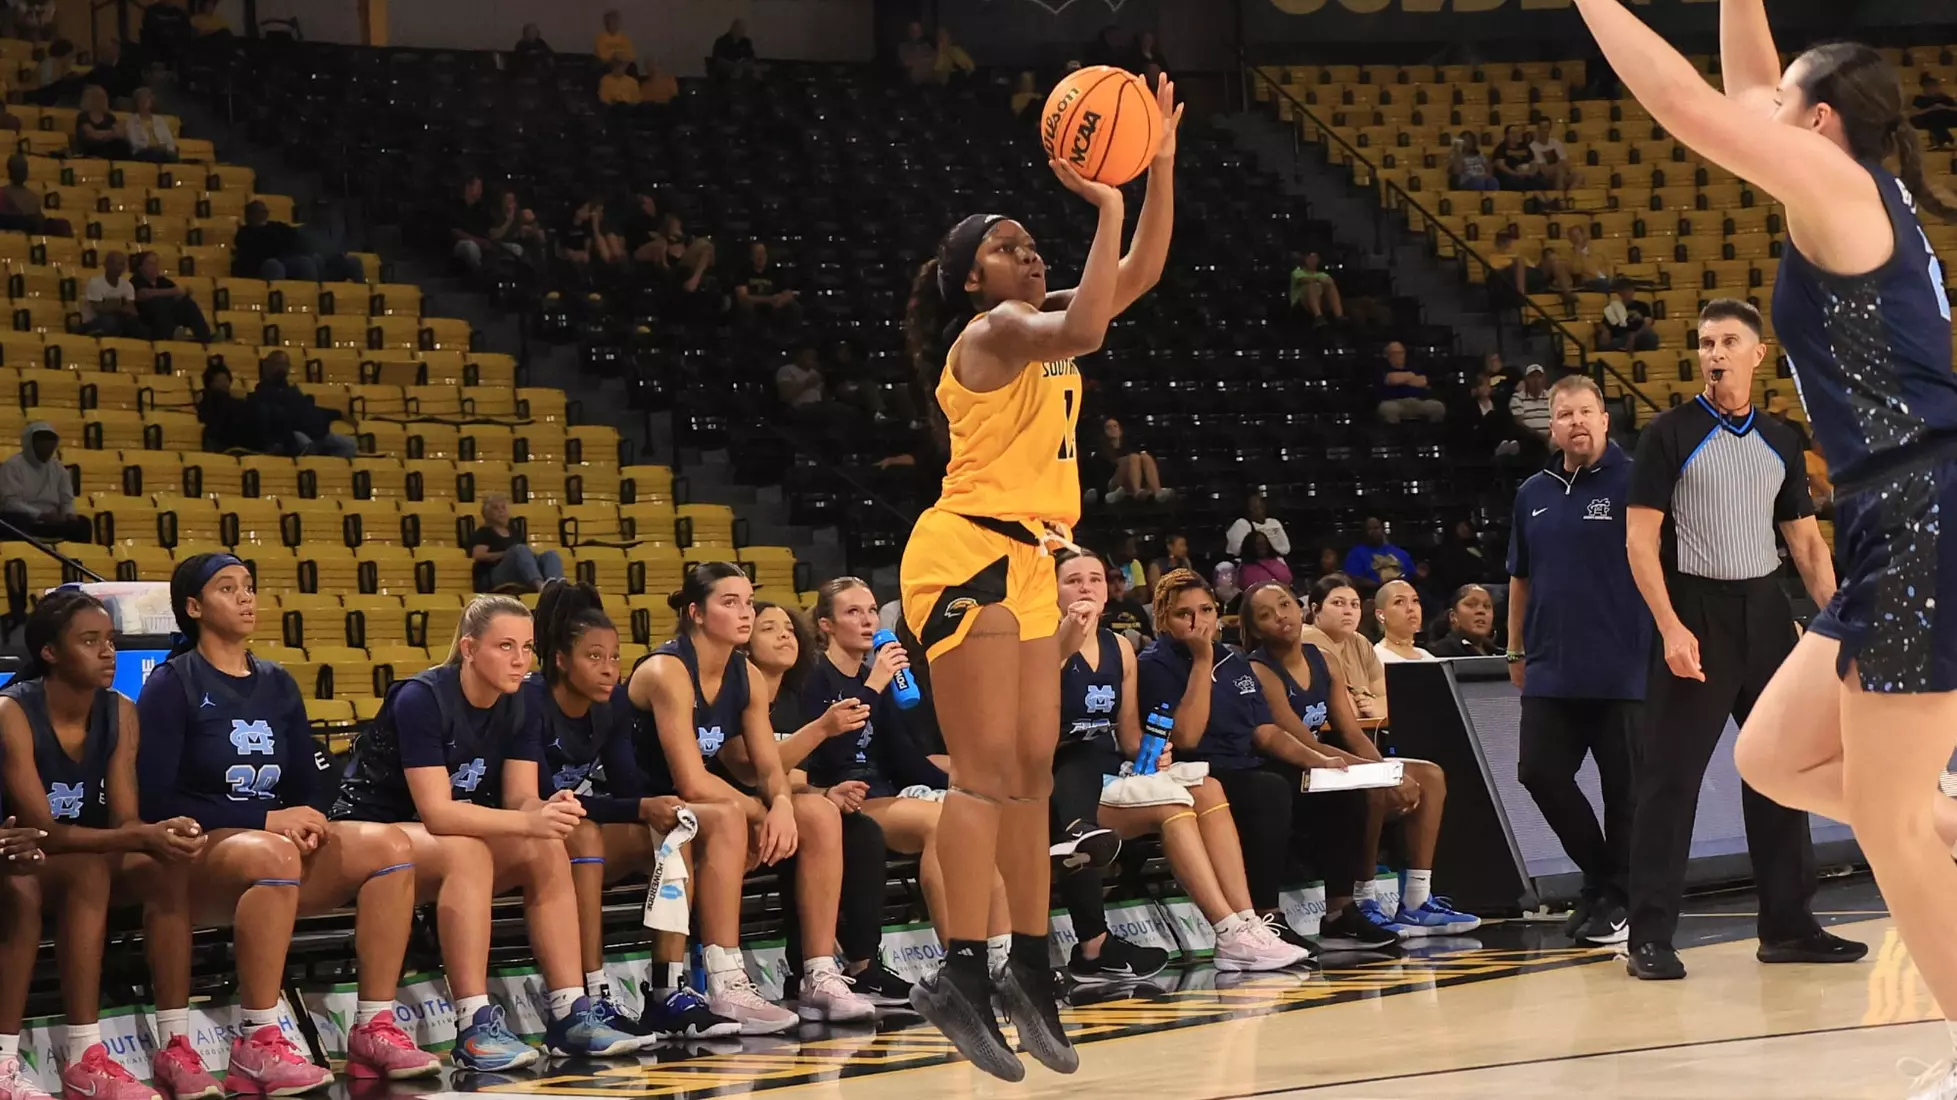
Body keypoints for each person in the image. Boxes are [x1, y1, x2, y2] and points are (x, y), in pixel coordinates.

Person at [895, 73, 1179, 1082]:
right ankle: (957, 971)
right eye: (1006, 246)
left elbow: (1135, 277)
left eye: (1030, 240)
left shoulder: (1038, 316)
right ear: (970, 279)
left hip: (1029, 559)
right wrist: (1103, 200)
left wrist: (1157, 166)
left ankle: (1029, 963)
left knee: (1025, 778)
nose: (1028, 253)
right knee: (981, 776)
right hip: (964, 550)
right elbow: (1092, 329)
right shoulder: (993, 333)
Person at [1617, 297, 1857, 981]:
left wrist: (1838, 624)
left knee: (1779, 771)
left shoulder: (1781, 439)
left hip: (1763, 611)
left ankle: (1787, 924)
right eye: (1703, 342)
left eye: (1727, 341)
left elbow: (1807, 547)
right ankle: (1649, 935)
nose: (1713, 353)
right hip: (1693, 610)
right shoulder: (1667, 433)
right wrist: (1668, 626)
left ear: (1756, 355)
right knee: (1670, 780)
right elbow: (1639, 543)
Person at [137, 557, 443, 1089]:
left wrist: (311, 821)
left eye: (249, 587)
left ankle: (374, 1025)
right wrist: (266, 818)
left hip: (270, 843)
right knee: (274, 853)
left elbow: (307, 783)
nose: (245, 598)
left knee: (392, 845)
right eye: (227, 589)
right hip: (200, 849)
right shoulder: (172, 683)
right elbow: (157, 799)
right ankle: (257, 1039)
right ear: (193, 608)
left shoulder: (277, 682)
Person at [331, 593, 638, 1067]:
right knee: (469, 851)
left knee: (545, 847)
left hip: (438, 838)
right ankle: (473, 1024)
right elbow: (438, 813)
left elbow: (519, 799)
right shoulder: (422, 697)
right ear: (470, 649)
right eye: (505, 647)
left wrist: (546, 810)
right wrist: (526, 820)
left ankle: (570, 1011)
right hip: (370, 830)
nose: (520, 661)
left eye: (527, 648)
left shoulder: (518, 702)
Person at [625, 564, 876, 1027]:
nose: (745, 613)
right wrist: (763, 812)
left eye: (747, 602)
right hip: (643, 803)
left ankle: (817, 973)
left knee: (818, 812)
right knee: (724, 816)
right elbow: (691, 780)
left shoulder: (746, 673)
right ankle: (726, 981)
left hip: (708, 805)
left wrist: (780, 803)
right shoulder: (668, 670)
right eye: (730, 602)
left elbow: (768, 766)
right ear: (696, 613)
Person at [0, 591, 213, 1100]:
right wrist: (140, 834)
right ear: (50, 652)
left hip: (77, 851)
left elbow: (124, 816)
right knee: (68, 876)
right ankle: (24, 1059)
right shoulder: (11, 710)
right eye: (90, 641)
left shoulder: (120, 710)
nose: (107, 653)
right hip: (16, 851)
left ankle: (175, 1043)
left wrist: (162, 834)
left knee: (167, 867)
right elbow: (40, 828)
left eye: (111, 642)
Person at [1055, 555, 1306, 974]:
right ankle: (1226, 931)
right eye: (1073, 580)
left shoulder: (1119, 648)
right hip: (1061, 781)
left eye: (1095, 578)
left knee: (1208, 787)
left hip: (1109, 771)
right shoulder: (1042, 643)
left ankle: (1248, 923)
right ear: (1052, 591)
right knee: (1173, 807)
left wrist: (1157, 750)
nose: (1086, 588)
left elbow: (1131, 737)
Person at [527, 580, 744, 1042]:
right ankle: (589, 995)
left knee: (674, 829)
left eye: (613, 658)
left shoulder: (611, 708)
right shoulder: (530, 702)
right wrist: (640, 805)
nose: (609, 670)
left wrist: (658, 806)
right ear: (561, 660)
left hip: (576, 824)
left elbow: (629, 788)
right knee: (582, 832)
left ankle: (668, 990)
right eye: (594, 658)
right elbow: (541, 798)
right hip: (530, 828)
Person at [794, 579, 1014, 983]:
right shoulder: (813, 678)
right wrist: (875, 684)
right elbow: (834, 757)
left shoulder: (878, 674)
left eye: (872, 611)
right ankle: (961, 965)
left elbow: (902, 756)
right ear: (826, 624)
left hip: (883, 793)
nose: (866, 621)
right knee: (940, 821)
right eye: (852, 612)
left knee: (971, 809)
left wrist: (963, 783)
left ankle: (1001, 955)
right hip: (835, 795)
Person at [1242, 581, 1480, 939]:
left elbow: (1351, 732)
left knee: (1429, 775)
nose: (1280, 617)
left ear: (1299, 608)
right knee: (1369, 787)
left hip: (1326, 761)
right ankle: (1361, 900)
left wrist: (1387, 770)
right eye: (1266, 615)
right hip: (1290, 768)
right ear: (1256, 628)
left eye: (1284, 605)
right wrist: (1381, 777)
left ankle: (1416, 900)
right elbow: (1303, 743)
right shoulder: (1260, 670)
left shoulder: (1323, 659)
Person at [1505, 375, 1648, 946]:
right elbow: (1519, 577)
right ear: (1551, 426)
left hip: (1624, 662)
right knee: (1538, 773)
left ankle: (1620, 898)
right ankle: (1602, 880)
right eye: (1565, 415)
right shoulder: (1531, 493)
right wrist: (1514, 647)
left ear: (1605, 418)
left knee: (1625, 792)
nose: (1577, 422)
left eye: (1587, 411)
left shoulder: (1637, 480)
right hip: (1550, 664)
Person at [726, 597, 915, 1009]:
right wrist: (821, 730)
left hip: (780, 806)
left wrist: (824, 794)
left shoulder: (795, 698)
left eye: (789, 629)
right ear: (743, 645)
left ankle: (847, 968)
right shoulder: (734, 693)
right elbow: (749, 771)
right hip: (732, 809)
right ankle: (786, 970)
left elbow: (793, 780)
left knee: (861, 831)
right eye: (769, 628)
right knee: (809, 824)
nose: (783, 635)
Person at [249, 351, 357, 458]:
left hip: (315, 433)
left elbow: (309, 410)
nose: (281, 368)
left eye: (284, 364)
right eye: (278, 364)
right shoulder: (262, 391)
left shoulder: (293, 391)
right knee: (307, 445)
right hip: (293, 434)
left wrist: (338, 415)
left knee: (349, 445)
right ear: (267, 366)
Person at [0, 423, 90, 542]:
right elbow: (10, 503)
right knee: (16, 521)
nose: (47, 446)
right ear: (30, 442)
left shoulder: (58, 468)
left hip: (53, 519)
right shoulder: (12, 466)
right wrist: (39, 515)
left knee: (83, 524)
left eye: (50, 442)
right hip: (25, 518)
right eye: (42, 441)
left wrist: (69, 514)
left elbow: (66, 500)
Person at [467, 493, 563, 593]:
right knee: (519, 549)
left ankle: (556, 586)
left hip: (519, 572)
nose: (501, 511)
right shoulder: (484, 532)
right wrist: (506, 554)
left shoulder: (514, 531)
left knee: (550, 555)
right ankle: (540, 586)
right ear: (487, 513)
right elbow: (478, 555)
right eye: (495, 508)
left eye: (503, 508)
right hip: (496, 574)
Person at [131, 251, 211, 342]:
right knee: (157, 302)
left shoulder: (162, 281)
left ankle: (205, 337)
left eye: (156, 263)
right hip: (147, 320)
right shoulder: (136, 279)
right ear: (140, 267)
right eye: (150, 263)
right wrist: (172, 292)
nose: (154, 266)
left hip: (169, 315)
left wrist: (184, 293)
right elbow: (143, 294)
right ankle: (171, 335)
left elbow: (177, 293)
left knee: (188, 303)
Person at [1375, 341, 1446, 424]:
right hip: (1394, 401)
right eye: (1394, 353)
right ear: (1388, 356)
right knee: (1389, 409)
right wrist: (1411, 376)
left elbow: (1422, 381)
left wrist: (1402, 379)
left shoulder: (1414, 366)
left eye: (1401, 352)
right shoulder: (1382, 368)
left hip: (1417, 401)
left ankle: (1432, 434)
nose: (1398, 356)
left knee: (1437, 407)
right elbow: (1393, 379)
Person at [1342, 515, 1414, 594]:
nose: (1374, 531)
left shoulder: (1399, 552)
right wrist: (1381, 586)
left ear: (1382, 529)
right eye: (1369, 529)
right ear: (1364, 532)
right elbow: (1354, 580)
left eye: (1376, 528)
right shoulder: (1356, 554)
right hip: (1373, 596)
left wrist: (1420, 575)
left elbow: (1411, 575)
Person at [198, 364, 259, 452]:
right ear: (210, 383)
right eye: (219, 380)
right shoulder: (207, 399)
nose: (224, 384)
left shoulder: (235, 400)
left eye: (225, 380)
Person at [1428, 584, 1500, 657]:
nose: (1481, 611)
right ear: (1453, 616)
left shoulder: (1500, 653)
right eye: (1471, 604)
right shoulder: (1440, 653)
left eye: (1486, 606)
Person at [83, 250, 142, 338]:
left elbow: (132, 310)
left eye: (123, 264)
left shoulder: (128, 286)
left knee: (138, 326)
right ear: (107, 265)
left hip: (119, 320)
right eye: (118, 264)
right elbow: (99, 309)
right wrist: (121, 303)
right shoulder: (95, 283)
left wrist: (110, 303)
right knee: (110, 321)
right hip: (94, 322)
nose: (121, 268)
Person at [1373, 580, 1435, 663]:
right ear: (1381, 615)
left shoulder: (1427, 657)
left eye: (1415, 600)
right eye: (1399, 602)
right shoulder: (1374, 660)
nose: (1410, 608)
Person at [1224, 492, 1290, 559]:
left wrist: (1272, 554)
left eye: (1261, 507)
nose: (1260, 511)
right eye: (1255, 508)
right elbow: (1236, 551)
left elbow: (1286, 548)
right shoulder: (1241, 524)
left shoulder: (1274, 523)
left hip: (1276, 560)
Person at [1289, 251, 1344, 324]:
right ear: (1305, 259)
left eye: (1315, 258)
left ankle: (1339, 315)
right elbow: (1304, 280)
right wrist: (1319, 280)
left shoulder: (1322, 274)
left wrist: (1324, 282)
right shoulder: (1297, 272)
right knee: (1312, 286)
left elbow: (1329, 282)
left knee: (1330, 285)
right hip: (1302, 303)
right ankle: (1318, 316)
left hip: (1322, 301)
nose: (1313, 260)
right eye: (1310, 258)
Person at [122, 88, 176, 163]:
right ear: (137, 102)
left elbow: (169, 141)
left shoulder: (159, 120)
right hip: (142, 153)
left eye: (147, 98)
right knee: (154, 154)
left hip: (161, 152)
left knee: (172, 156)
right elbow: (134, 143)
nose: (145, 101)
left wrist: (168, 149)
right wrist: (152, 147)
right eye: (142, 99)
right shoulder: (132, 121)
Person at [1912, 73, 1957, 150]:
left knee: (1939, 116)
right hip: (1925, 119)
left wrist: (1945, 107)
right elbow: (1914, 113)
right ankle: (1947, 141)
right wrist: (1931, 109)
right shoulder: (1919, 99)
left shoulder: (1944, 98)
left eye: (1934, 86)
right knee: (1934, 116)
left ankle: (1944, 141)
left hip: (1945, 118)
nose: (1932, 89)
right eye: (1929, 87)